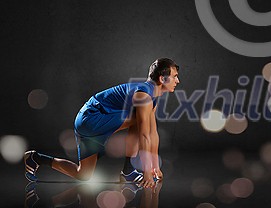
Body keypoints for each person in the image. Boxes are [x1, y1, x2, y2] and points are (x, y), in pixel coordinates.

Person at [24, 58, 180, 188]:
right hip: (91, 118)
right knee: (140, 121)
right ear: (162, 79)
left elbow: (153, 133)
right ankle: (128, 171)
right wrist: (146, 170)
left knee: (83, 174)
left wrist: (155, 167)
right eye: (174, 76)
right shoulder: (144, 95)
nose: (177, 81)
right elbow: (145, 134)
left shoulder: (152, 98)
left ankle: (36, 158)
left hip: (89, 122)